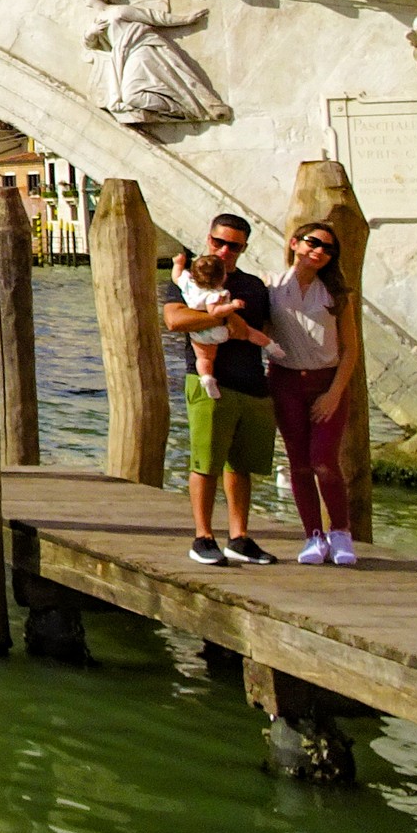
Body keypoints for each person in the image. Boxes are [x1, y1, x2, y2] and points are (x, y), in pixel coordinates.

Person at [160, 210, 279, 566]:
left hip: (251, 380)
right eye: (219, 242)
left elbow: (263, 330)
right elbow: (175, 319)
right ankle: (203, 536)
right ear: (208, 239)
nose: (225, 250)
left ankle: (239, 537)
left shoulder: (254, 286)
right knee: (205, 462)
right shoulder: (192, 278)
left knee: (241, 466)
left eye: (234, 246)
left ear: (243, 249)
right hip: (209, 382)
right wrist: (224, 316)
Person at [267, 221, 362, 565]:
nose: (319, 251)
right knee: (299, 464)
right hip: (286, 381)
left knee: (324, 461)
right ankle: (313, 536)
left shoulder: (336, 295)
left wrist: (335, 392)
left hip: (325, 382)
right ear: (294, 243)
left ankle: (340, 531)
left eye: (327, 249)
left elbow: (350, 350)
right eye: (313, 243)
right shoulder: (272, 287)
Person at [172, 250, 242, 399]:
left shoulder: (189, 286)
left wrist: (178, 264)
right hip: (218, 330)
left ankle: (206, 377)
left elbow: (176, 276)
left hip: (199, 332)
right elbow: (215, 311)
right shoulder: (216, 294)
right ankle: (269, 344)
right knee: (247, 333)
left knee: (204, 358)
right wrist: (232, 307)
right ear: (223, 277)